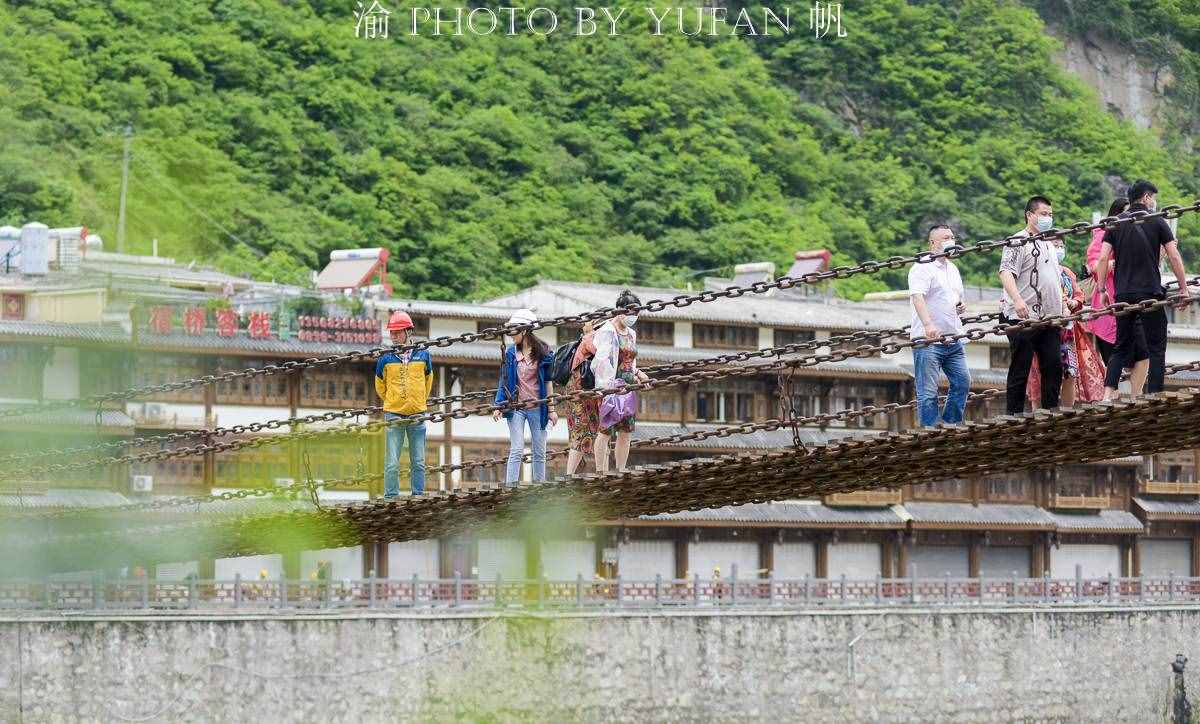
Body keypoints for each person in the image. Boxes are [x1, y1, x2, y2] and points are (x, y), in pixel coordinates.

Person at [1095, 179, 1191, 399]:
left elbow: (1102, 258)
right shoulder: (1156, 221)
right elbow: (1174, 255)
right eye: (1153, 198)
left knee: (1121, 345)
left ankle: (1107, 395)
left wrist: (1101, 290)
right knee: (1156, 346)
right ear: (1146, 198)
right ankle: (1154, 395)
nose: (1154, 202)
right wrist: (1184, 287)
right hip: (1150, 293)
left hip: (1123, 293)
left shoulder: (1115, 223)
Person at [999, 195, 1065, 413]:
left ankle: (1050, 412)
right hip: (1023, 315)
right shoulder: (1018, 240)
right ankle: (1014, 414)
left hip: (1050, 317)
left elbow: (1053, 278)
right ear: (1030, 215)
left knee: (1053, 365)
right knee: (1021, 367)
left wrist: (1062, 306)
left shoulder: (1048, 242)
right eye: (1043, 214)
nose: (1048, 218)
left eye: (1050, 215)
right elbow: (1006, 272)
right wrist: (1017, 300)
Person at [1026, 237, 1107, 408]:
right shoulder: (1036, 271)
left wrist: (1074, 303)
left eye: (1061, 246)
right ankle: (1038, 412)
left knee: (1071, 371)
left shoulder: (1067, 273)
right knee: (1039, 371)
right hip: (1043, 327)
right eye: (1055, 245)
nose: (1059, 249)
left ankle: (1067, 410)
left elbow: (1079, 294)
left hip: (1068, 332)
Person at [908, 225, 971, 426]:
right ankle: (930, 430)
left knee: (962, 382)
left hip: (953, 338)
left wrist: (960, 306)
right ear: (933, 243)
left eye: (952, 237)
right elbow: (917, 297)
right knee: (927, 391)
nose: (950, 240)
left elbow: (956, 297)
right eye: (945, 237)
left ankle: (951, 423)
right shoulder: (922, 267)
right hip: (928, 340)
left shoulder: (953, 269)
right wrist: (928, 325)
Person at [493, 309, 557, 486]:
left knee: (539, 450)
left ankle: (539, 486)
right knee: (517, 448)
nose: (512, 335)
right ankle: (510, 487)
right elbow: (503, 381)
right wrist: (498, 405)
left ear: (524, 330)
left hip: (538, 407)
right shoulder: (511, 354)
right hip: (516, 408)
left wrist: (552, 410)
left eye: (514, 331)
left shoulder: (544, 352)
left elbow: (548, 383)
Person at [375, 311, 433, 499]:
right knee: (392, 461)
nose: (393, 336)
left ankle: (418, 495)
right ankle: (391, 496)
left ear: (408, 332)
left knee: (418, 460)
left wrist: (419, 400)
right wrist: (392, 400)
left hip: (417, 412)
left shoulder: (424, 355)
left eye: (397, 332)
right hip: (393, 413)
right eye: (391, 333)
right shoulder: (385, 358)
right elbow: (379, 385)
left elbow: (428, 380)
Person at [592, 290, 650, 473]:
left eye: (636, 314)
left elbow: (631, 360)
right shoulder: (607, 330)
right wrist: (604, 389)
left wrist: (638, 373)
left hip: (628, 384)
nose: (633, 317)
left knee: (626, 429)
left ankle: (620, 469)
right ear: (621, 311)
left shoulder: (631, 333)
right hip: (610, 384)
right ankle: (601, 471)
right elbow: (601, 361)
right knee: (605, 430)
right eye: (631, 313)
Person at [1084, 197, 1129, 365]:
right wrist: (1116, 262)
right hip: (1108, 300)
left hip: (1131, 299)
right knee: (1112, 359)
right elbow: (1095, 265)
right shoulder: (1103, 235)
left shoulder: (1135, 235)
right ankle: (1112, 391)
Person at [564, 321, 600, 475]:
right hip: (581, 392)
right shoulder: (590, 338)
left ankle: (571, 474)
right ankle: (570, 474)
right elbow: (604, 353)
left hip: (581, 391)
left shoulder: (585, 338)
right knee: (582, 431)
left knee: (588, 431)